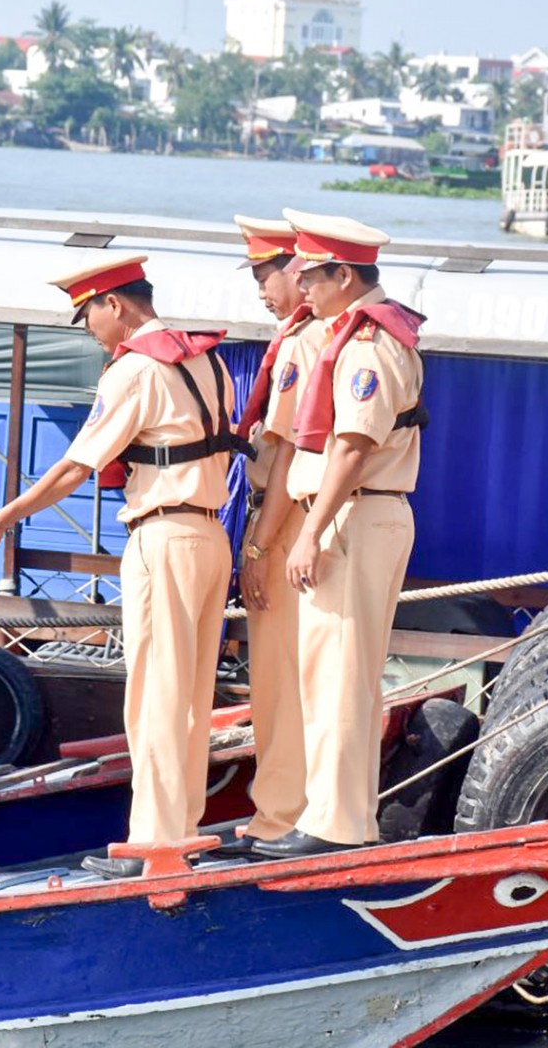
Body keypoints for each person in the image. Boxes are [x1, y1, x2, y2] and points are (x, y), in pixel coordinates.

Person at [0, 255, 243, 879]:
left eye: (87, 312)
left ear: (115, 303)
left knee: (155, 697)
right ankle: (182, 828)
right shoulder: (207, 360)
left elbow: (72, 468)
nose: (87, 327)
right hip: (209, 533)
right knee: (191, 696)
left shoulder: (136, 369)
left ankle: (156, 842)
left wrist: (0, 520)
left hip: (163, 533)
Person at [252, 210, 425, 860]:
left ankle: (336, 824)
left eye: (313, 277)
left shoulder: (367, 347)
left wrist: (307, 533)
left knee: (341, 677)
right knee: (334, 674)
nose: (303, 290)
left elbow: (351, 450)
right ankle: (333, 817)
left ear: (344, 276)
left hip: (354, 513)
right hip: (355, 512)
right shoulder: (360, 336)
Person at [212, 215, 320, 859]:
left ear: (299, 271)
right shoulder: (300, 338)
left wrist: (256, 544)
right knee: (287, 676)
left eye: (264, 274)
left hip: (283, 519)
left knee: (281, 678)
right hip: (284, 513)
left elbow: (279, 454)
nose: (260, 289)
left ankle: (280, 815)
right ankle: (284, 809)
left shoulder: (304, 345)